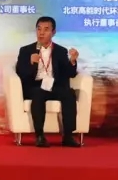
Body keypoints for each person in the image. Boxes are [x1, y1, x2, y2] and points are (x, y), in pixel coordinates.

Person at [15, 16, 81, 148]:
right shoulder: (26, 50)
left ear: (53, 32)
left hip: (55, 86)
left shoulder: (60, 51)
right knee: (38, 94)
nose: (41, 33)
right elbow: (20, 73)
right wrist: (31, 63)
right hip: (35, 86)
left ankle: (68, 136)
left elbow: (70, 74)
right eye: (39, 29)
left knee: (69, 94)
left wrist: (72, 61)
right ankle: (40, 136)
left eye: (46, 29)